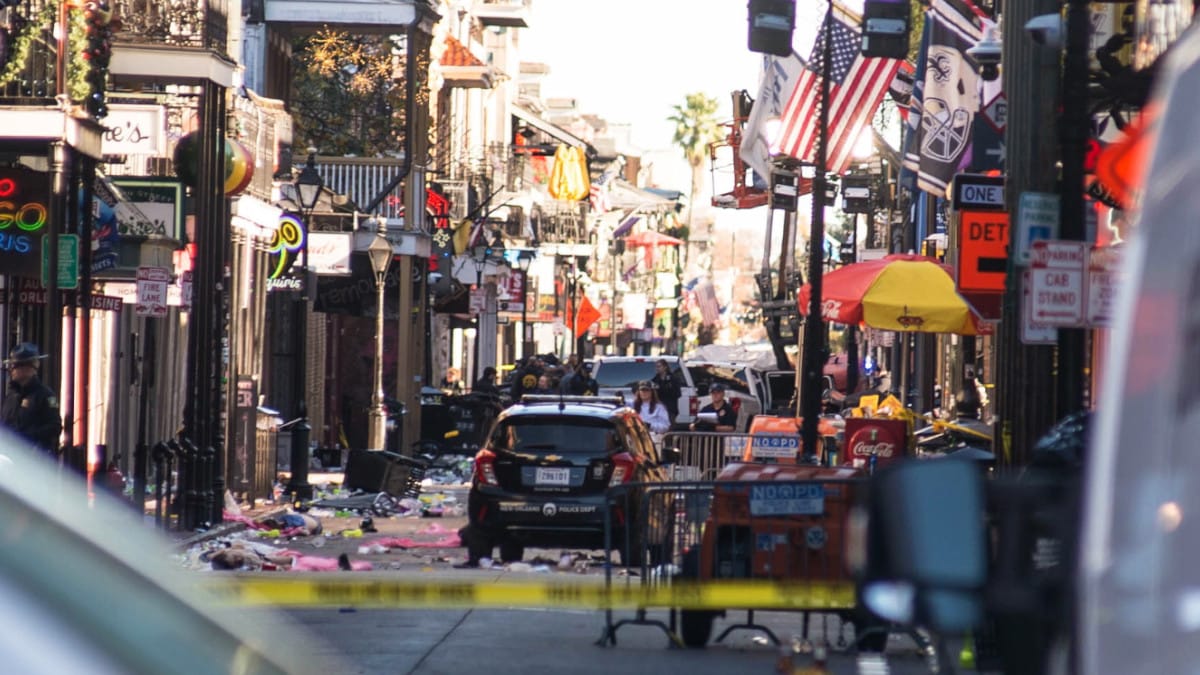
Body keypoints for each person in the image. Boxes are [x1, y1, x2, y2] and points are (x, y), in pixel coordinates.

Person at [1, 343, 62, 455]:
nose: (11, 370)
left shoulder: (45, 395)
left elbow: (55, 427)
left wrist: (26, 437)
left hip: (33, 460)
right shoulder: (11, 396)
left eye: (14, 365)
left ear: (28, 368)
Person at [651, 358, 682, 425]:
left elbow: (678, 393)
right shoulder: (655, 380)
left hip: (670, 409)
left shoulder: (673, 378)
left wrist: (667, 388)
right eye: (656, 367)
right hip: (658, 408)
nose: (657, 368)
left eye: (659, 366)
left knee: (669, 427)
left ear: (665, 367)